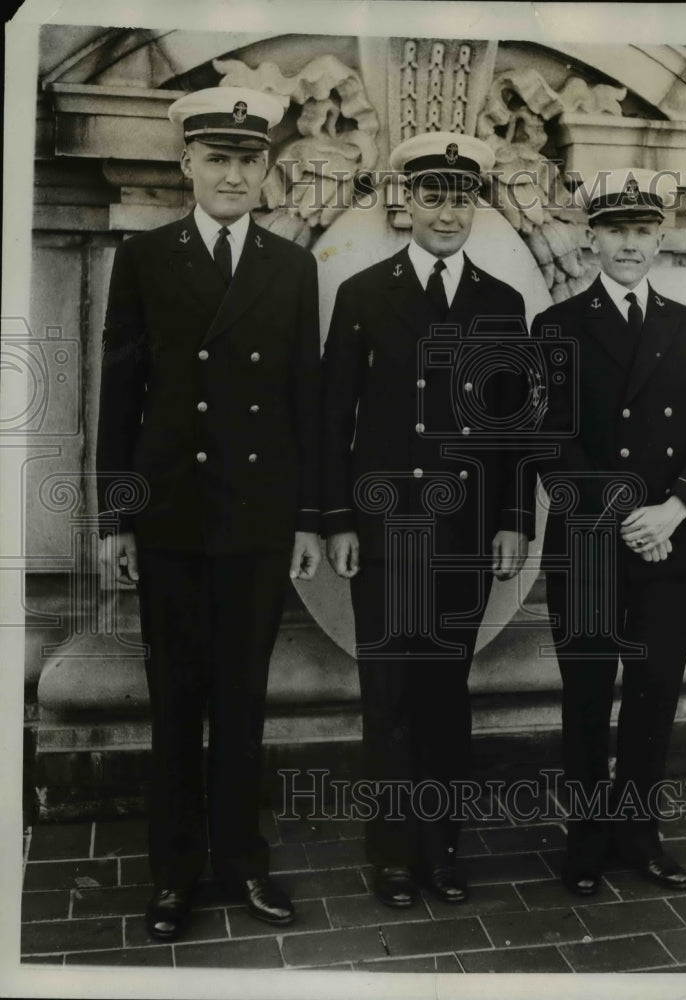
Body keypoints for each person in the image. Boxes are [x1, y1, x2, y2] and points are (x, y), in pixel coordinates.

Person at [96, 87, 321, 940]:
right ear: (187, 163)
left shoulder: (290, 267)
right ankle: (173, 874)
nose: (234, 173)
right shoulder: (146, 257)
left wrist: (306, 518)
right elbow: (121, 394)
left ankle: (243, 861)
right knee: (175, 700)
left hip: (259, 520)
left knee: (244, 699)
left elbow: (305, 397)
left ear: (266, 168)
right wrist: (116, 520)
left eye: (248, 158)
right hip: (172, 517)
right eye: (218, 157)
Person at [321, 132, 536, 908]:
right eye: (433, 195)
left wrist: (514, 519)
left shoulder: (500, 304)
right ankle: (392, 854)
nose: (448, 212)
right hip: (383, 532)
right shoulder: (363, 295)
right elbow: (331, 418)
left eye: (462, 196)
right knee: (389, 695)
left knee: (447, 692)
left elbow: (516, 429)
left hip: (465, 534)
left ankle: (443, 848)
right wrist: (337, 520)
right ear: (404, 201)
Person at [534, 168, 686, 896]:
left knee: (654, 692)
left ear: (660, 238)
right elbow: (551, 442)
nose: (629, 244)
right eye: (615, 230)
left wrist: (675, 509)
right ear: (591, 238)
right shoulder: (555, 328)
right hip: (590, 544)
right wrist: (624, 518)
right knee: (585, 692)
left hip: (671, 541)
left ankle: (640, 834)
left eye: (642, 231)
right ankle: (587, 841)